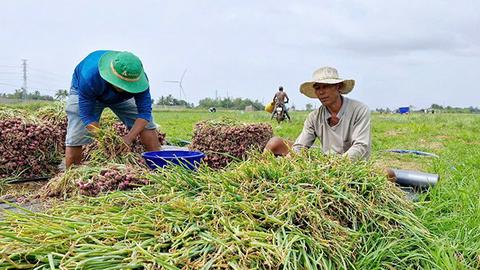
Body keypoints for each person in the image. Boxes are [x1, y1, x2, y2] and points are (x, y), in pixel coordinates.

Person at [65, 50, 160, 168]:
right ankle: (71, 177)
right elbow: (87, 116)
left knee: (148, 126)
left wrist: (129, 138)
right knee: (76, 134)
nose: (123, 87)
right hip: (88, 93)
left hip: (122, 98)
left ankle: (158, 167)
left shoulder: (138, 78)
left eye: (128, 85)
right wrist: (105, 139)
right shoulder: (90, 76)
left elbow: (144, 113)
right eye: (120, 83)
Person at [265, 66, 371, 161]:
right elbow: (300, 146)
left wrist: (337, 165)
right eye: (317, 88)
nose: (321, 92)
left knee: (386, 172)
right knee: (275, 142)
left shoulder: (359, 110)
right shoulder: (314, 117)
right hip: (327, 162)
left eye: (325, 86)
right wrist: (288, 161)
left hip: (353, 164)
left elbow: (360, 146)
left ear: (338, 87)